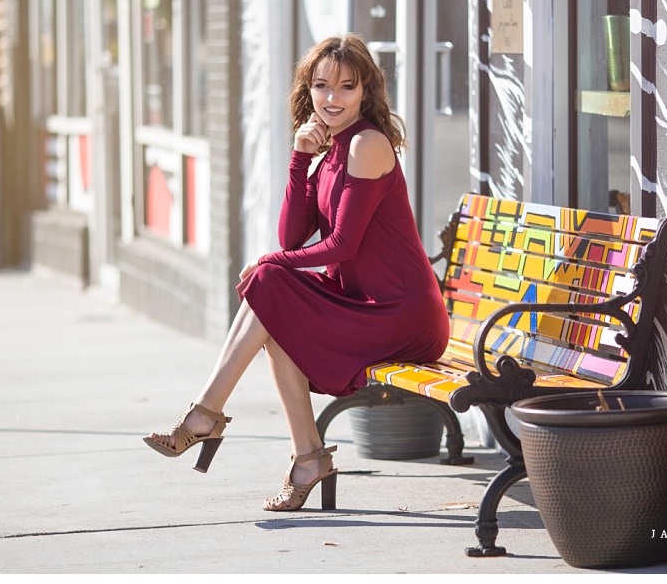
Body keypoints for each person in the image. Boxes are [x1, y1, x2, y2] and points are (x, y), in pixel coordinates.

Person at [143, 33, 450, 512]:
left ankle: (207, 417)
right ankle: (305, 458)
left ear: (365, 92)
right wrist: (300, 158)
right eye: (322, 86)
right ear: (307, 90)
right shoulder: (330, 146)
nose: (332, 98)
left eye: (347, 87)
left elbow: (341, 245)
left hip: (399, 312)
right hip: (362, 300)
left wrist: (268, 262)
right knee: (273, 304)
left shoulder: (367, 144)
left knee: (269, 283)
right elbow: (292, 238)